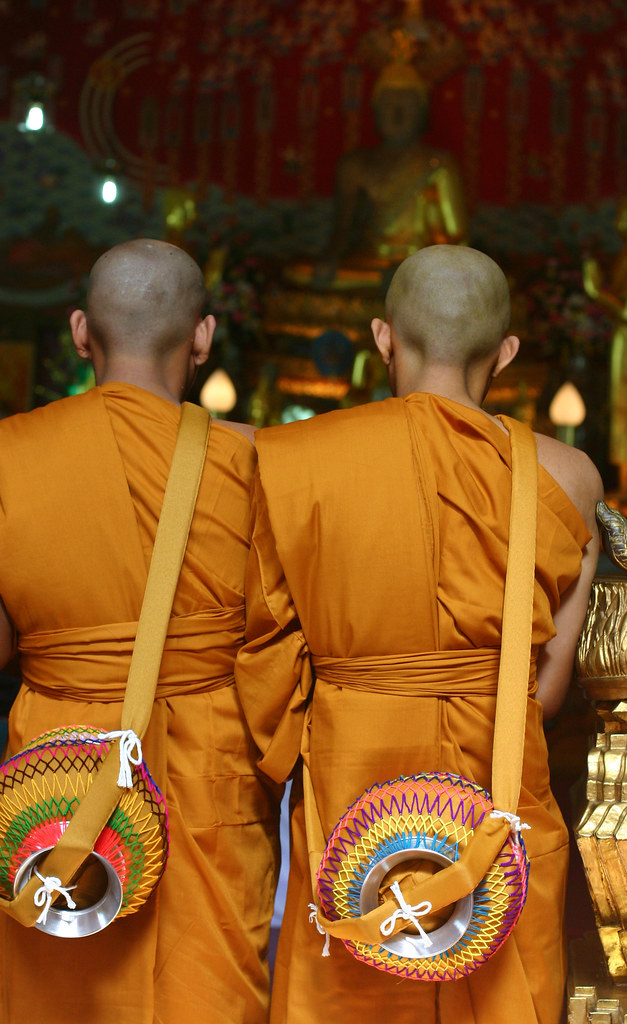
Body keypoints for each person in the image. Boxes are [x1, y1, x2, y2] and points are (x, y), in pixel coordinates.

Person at [235, 244, 603, 1024]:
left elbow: (264, 666)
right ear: (505, 351)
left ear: (381, 337)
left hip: (352, 798)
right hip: (498, 797)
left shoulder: (296, 460)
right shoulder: (567, 476)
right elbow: (547, 690)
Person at [0, 239, 280, 1024]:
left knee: (60, 984)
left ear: (81, 332)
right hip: (208, 774)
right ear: (202, 337)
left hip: (54, 776)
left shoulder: (10, 456)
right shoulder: (255, 464)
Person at [286, 59, 467, 292]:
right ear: (375, 110)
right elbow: (342, 231)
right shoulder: (354, 165)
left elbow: (458, 241)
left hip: (421, 270)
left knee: (434, 282)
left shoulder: (439, 165)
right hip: (370, 263)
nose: (397, 112)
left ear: (422, 112)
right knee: (299, 271)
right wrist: (330, 258)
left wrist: (415, 267)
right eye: (389, 103)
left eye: (407, 104)